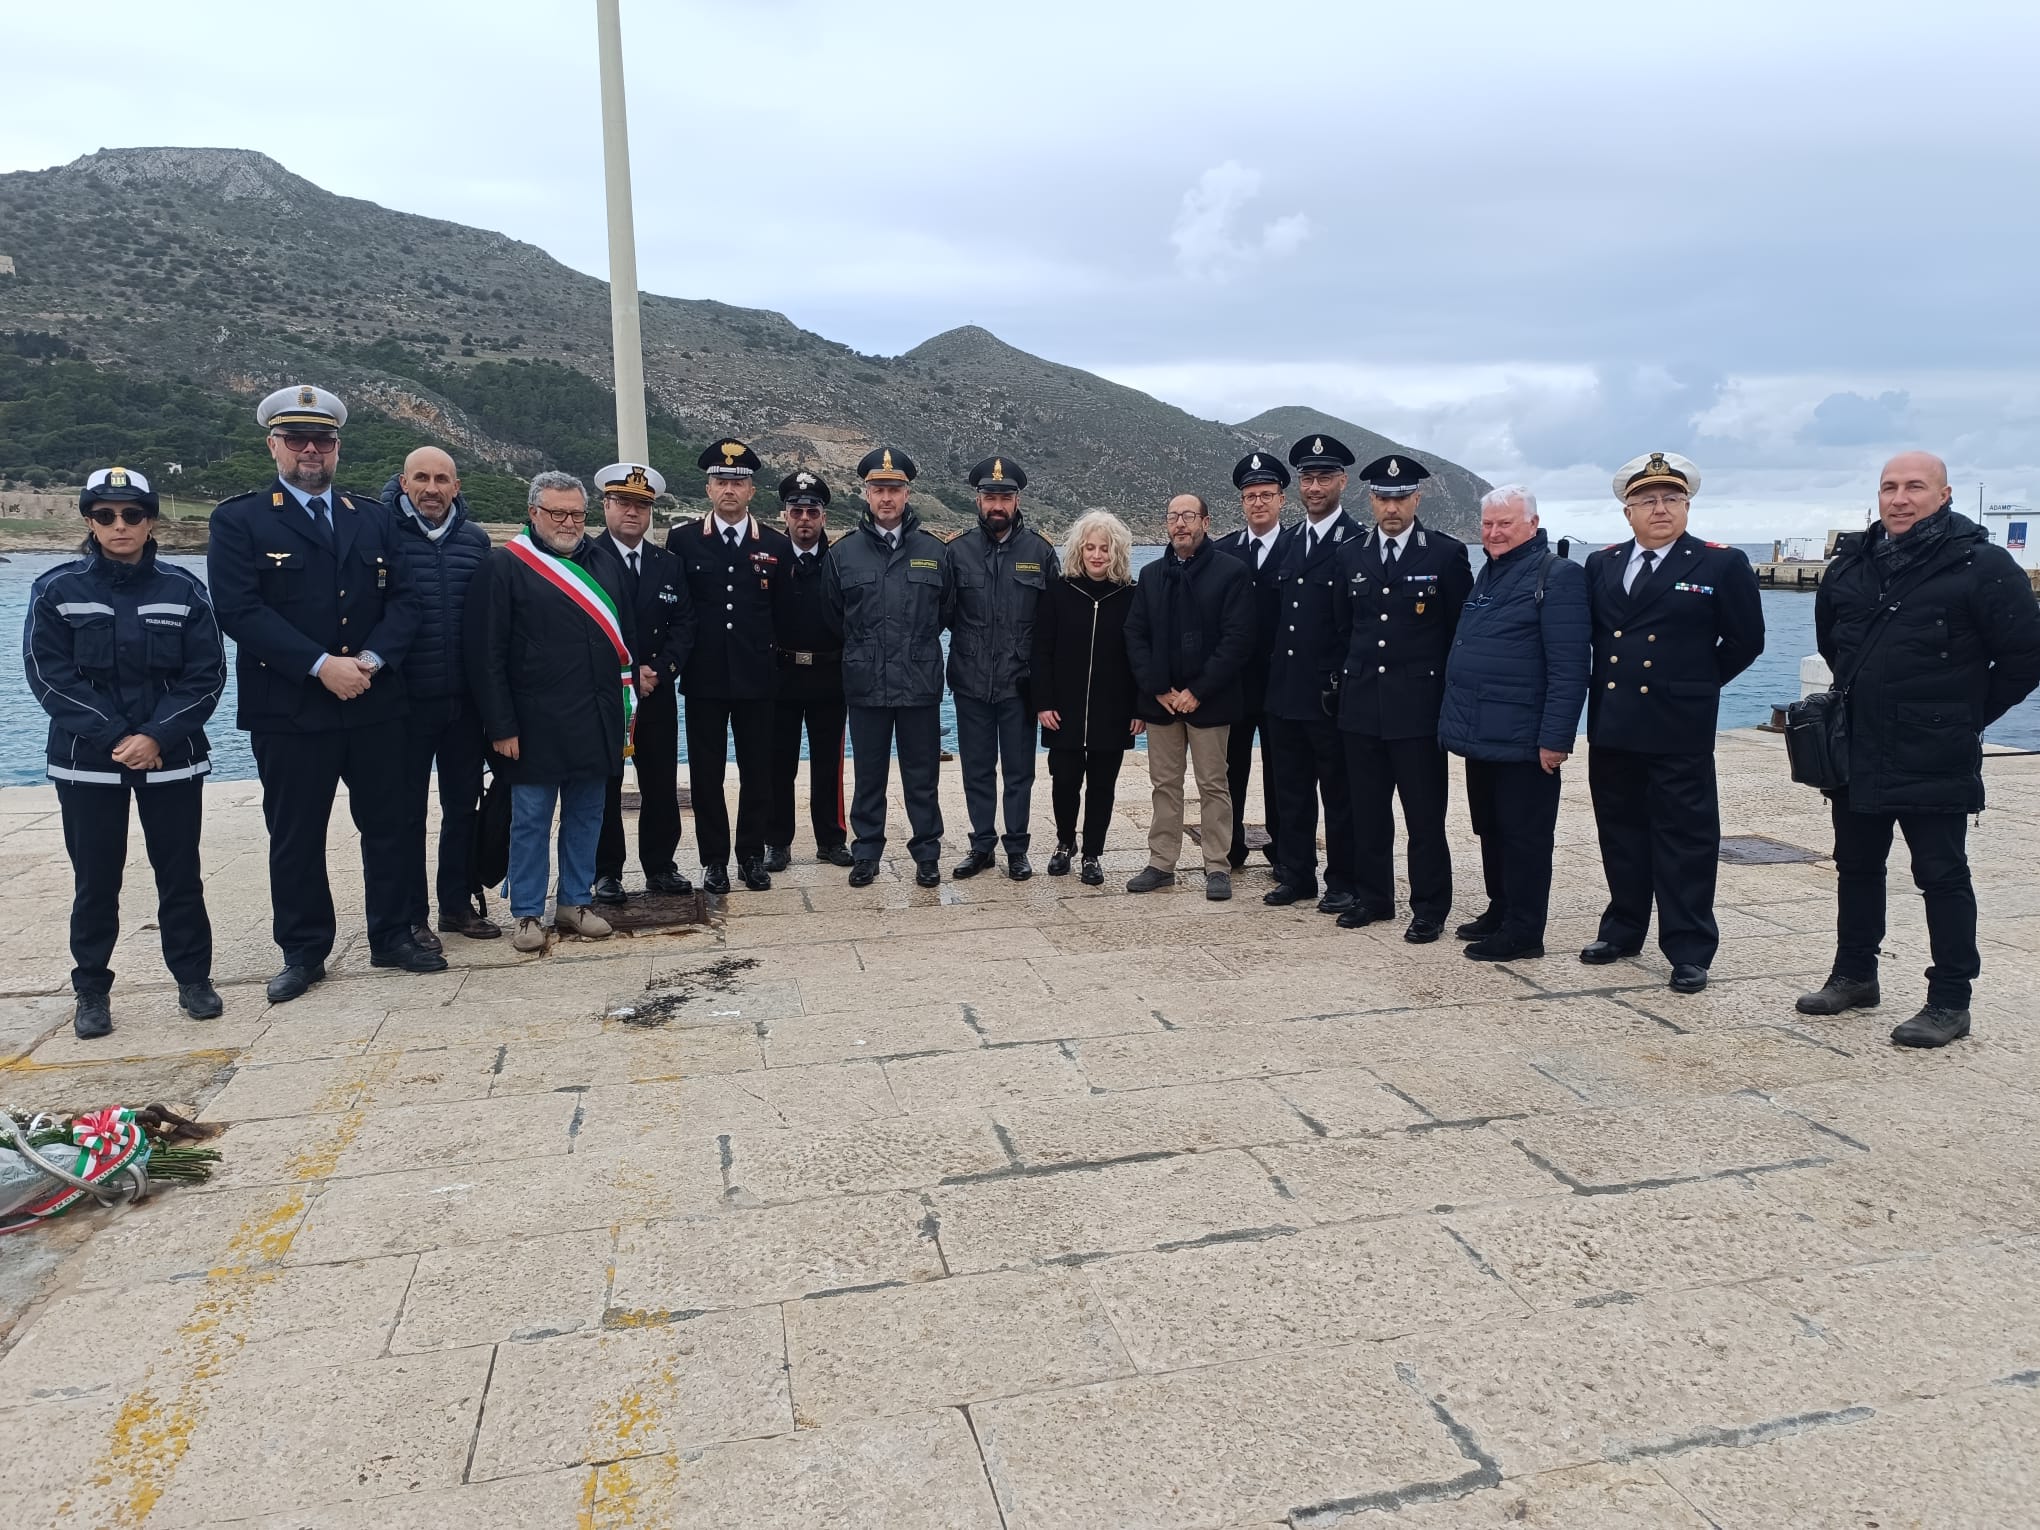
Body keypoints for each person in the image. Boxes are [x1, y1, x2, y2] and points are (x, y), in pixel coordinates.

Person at [1796, 450, 2040, 1047]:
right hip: (1857, 743)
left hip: (1935, 749)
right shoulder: (1851, 566)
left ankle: (1950, 999)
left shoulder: (1981, 565)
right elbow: (1835, 643)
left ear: (1944, 494)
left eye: (1914, 487)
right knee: (1855, 866)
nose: (1900, 498)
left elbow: (2024, 658)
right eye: (1889, 487)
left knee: (1941, 873)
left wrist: (1963, 716)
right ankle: (1855, 975)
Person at [206, 385, 442, 1002]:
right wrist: (318, 666)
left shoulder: (376, 518)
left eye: (322, 440)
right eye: (297, 439)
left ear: (337, 447)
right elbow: (238, 609)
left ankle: (393, 937)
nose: (310, 450)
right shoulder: (241, 520)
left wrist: (365, 660)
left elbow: (407, 602)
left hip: (374, 699)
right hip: (289, 707)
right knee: (296, 835)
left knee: (389, 826)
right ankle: (304, 951)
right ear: (274, 446)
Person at [25, 468, 225, 1038]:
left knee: (180, 875)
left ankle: (193, 979)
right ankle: (91, 989)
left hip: (172, 758)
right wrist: (118, 737)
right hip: (86, 762)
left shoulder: (184, 591)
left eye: (132, 514)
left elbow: (207, 676)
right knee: (95, 879)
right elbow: (48, 676)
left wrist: (157, 736)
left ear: (150, 521)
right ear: (89, 520)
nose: (120, 525)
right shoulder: (55, 590)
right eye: (106, 515)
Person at [1581, 452, 1765, 993]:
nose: (1660, 509)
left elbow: (1745, 641)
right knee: (1619, 831)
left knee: (1685, 838)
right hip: (1614, 723)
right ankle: (1622, 929)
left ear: (1687, 506)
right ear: (1627, 513)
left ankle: (1688, 947)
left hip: (1678, 725)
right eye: (1646, 500)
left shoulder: (1719, 563)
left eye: (1671, 499)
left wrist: (1696, 685)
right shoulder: (1603, 564)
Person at [464, 472, 630, 954]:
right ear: (534, 512)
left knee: (587, 815)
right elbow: (486, 654)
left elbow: (624, 643)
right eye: (557, 513)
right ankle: (528, 913)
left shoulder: (603, 561)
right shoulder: (505, 565)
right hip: (533, 723)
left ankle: (575, 902)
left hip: (595, 717)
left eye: (577, 513)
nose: (569, 522)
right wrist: (500, 725)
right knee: (531, 820)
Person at [1438, 484, 1590, 961]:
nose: (1495, 532)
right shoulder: (1493, 572)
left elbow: (1569, 667)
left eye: (1505, 523)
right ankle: (1500, 908)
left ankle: (1525, 932)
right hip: (1482, 733)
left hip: (1526, 738)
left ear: (1532, 524)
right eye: (1487, 524)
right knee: (1491, 827)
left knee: (1524, 835)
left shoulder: (1557, 576)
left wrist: (1555, 739)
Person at [1331, 454, 1473, 942]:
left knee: (1424, 816)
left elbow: (1458, 634)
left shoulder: (1445, 554)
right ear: (1371, 500)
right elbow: (1343, 628)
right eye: (1383, 498)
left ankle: (1430, 907)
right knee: (1367, 811)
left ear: (1417, 498)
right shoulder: (1351, 553)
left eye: (1401, 497)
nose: (1391, 507)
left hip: (1418, 708)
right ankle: (1374, 899)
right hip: (1362, 704)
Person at [382, 445, 498, 947]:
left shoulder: (476, 542)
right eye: (422, 478)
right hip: (403, 704)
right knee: (405, 814)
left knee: (463, 808)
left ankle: (457, 905)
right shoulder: (379, 535)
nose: (432, 488)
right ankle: (411, 915)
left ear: (457, 486)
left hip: (465, 704)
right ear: (405, 483)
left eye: (442, 479)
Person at [823, 445, 953, 889]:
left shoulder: (935, 552)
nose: (886, 498)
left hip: (918, 682)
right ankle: (867, 853)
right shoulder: (843, 555)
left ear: (907, 493)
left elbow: (946, 611)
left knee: (922, 777)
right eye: (878, 489)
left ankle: (927, 855)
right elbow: (832, 615)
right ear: (865, 493)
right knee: (869, 776)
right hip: (865, 682)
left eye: (894, 489)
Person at [665, 439, 788, 894]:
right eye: (721, 481)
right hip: (705, 678)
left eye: (737, 482)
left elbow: (781, 614)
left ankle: (751, 856)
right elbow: (677, 608)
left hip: (758, 679)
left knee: (759, 771)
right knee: (705, 774)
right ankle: (714, 860)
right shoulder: (682, 539)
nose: (729, 490)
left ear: (752, 489)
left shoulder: (774, 543)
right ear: (708, 487)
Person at [1124, 493, 1254, 899]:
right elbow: (1135, 634)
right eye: (1173, 517)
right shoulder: (1151, 576)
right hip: (1162, 702)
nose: (1180, 523)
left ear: (1205, 522)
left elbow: (1238, 639)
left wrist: (1197, 691)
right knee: (1165, 784)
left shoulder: (1231, 572)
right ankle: (1161, 862)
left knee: (1214, 784)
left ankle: (1217, 865)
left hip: (1210, 700)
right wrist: (1158, 689)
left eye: (1188, 516)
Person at [588, 462, 696, 904]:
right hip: (603, 693)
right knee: (605, 783)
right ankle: (606, 871)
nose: (632, 512)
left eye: (641, 505)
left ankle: (661, 865)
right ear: (606, 505)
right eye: (623, 503)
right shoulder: (585, 561)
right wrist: (623, 676)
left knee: (659, 782)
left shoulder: (668, 564)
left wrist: (661, 669)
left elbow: (685, 624)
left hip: (655, 691)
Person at [1264, 433, 1364, 911]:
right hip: (1285, 693)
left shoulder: (1358, 542)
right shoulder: (1288, 542)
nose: (1315, 486)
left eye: (1324, 477)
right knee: (1291, 794)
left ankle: (1342, 879)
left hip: (1331, 694)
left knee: (1339, 796)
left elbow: (1359, 626)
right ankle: (1296, 874)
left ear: (1342, 481)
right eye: (1308, 478)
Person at [947, 455, 1057, 881]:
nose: (997, 505)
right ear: (977, 499)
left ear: (1017, 500)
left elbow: (1052, 626)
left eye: (1005, 497)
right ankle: (981, 847)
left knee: (1018, 772)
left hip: (1019, 684)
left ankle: (1017, 848)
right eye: (990, 496)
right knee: (976, 769)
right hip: (971, 681)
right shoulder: (955, 552)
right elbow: (941, 614)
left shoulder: (1041, 552)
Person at [1033, 510, 1143, 884]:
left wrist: (1139, 706)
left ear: (1117, 553)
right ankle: (1065, 844)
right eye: (1091, 548)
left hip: (1112, 710)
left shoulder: (1131, 594)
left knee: (1102, 786)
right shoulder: (1059, 591)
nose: (1098, 555)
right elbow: (1041, 650)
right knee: (1064, 781)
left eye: (1105, 549)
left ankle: (1093, 854)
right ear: (1079, 551)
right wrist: (1043, 701)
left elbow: (1140, 655)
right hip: (1062, 709)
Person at [1213, 451, 1293, 873]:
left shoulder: (1299, 549)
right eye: (1250, 496)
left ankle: (1284, 853)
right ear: (1241, 503)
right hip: (1236, 683)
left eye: (1266, 494)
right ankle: (1229, 849)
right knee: (1229, 771)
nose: (1258, 502)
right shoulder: (1223, 552)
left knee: (1283, 772)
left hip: (1283, 681)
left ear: (1282, 500)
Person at [767, 470, 851, 869]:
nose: (804, 518)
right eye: (797, 510)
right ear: (785, 515)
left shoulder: (839, 562)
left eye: (812, 511)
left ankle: (832, 839)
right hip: (781, 673)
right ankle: (777, 841)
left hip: (828, 676)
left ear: (823, 518)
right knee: (778, 763)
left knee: (828, 765)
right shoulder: (770, 561)